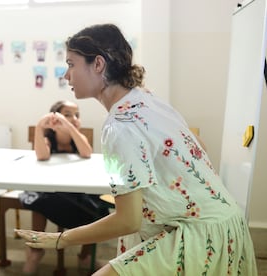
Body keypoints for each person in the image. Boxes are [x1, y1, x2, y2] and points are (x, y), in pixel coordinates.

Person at [15, 24, 258, 275]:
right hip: (226, 224)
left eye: (71, 64)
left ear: (98, 64)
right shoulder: (147, 99)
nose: (67, 75)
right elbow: (200, 149)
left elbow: (128, 220)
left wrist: (61, 239)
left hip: (198, 234)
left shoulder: (118, 126)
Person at [19, 100, 110, 274]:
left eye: (77, 115)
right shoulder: (48, 139)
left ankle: (85, 256)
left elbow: (86, 152)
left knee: (98, 210)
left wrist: (69, 125)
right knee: (38, 200)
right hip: (51, 192)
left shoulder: (78, 138)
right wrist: (40, 126)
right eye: (67, 115)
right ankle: (35, 252)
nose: (74, 118)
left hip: (77, 192)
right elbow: (42, 156)